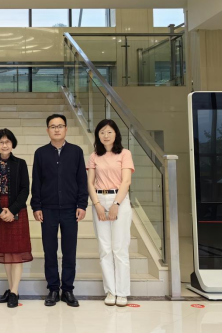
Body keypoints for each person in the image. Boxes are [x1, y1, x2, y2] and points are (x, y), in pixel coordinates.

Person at [31, 114, 88, 307]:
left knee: (69, 251)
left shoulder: (76, 151)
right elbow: (36, 182)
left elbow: (82, 181)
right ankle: (53, 289)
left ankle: (68, 290)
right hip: (48, 209)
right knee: (50, 251)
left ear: (66, 129)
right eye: (53, 126)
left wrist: (82, 205)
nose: (57, 129)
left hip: (71, 209)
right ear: (47, 130)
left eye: (60, 126)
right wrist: (36, 206)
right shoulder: (40, 153)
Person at [87, 119, 134, 307]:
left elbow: (126, 181)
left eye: (109, 132)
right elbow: (90, 182)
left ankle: (122, 292)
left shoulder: (125, 153)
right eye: (102, 132)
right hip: (99, 200)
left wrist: (116, 204)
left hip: (119, 200)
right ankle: (110, 291)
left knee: (120, 248)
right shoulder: (94, 156)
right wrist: (97, 204)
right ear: (97, 135)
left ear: (116, 134)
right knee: (105, 249)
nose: (105, 135)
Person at [0, 128, 32, 308]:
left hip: (16, 209)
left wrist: (12, 210)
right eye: (1, 142)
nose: (4, 145)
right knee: (6, 251)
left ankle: (14, 291)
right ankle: (11, 288)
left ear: (13, 144)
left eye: (8, 142)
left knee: (16, 252)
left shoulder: (20, 163)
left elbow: (25, 189)